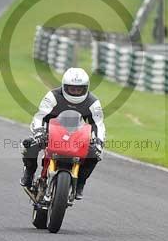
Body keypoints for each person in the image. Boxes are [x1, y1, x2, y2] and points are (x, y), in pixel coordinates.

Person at [20, 67, 105, 200]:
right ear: (64, 87)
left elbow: (98, 124)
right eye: (72, 89)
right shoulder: (53, 96)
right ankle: (29, 172)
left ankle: (81, 182)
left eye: (79, 89)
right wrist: (39, 132)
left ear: (86, 88)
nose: (76, 92)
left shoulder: (93, 102)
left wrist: (99, 142)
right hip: (51, 130)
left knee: (95, 154)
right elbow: (40, 117)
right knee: (29, 144)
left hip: (77, 133)